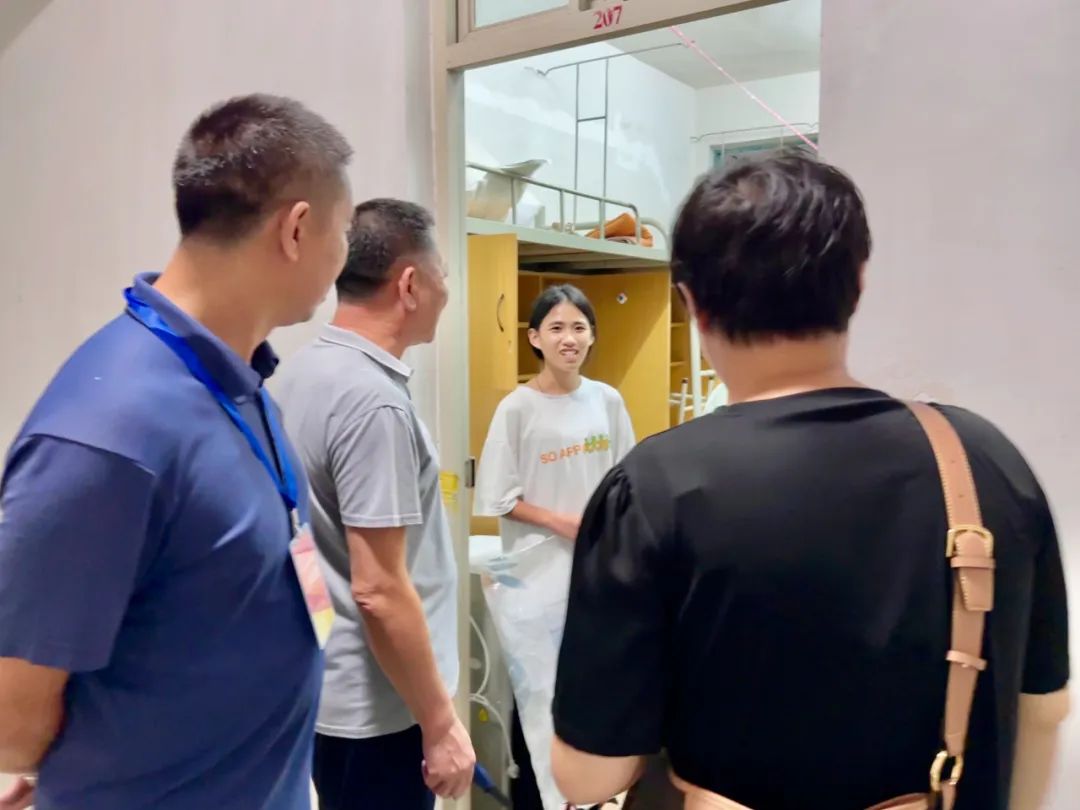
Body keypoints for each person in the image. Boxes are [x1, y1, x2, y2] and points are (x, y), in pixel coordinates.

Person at [550, 153, 1070, 810]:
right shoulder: (984, 461)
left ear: (691, 302)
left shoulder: (652, 489)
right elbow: (1045, 710)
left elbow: (587, 777)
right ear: (859, 281)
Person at [0, 94, 354, 810]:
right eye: (343, 230)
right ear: (296, 229)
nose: (344, 254)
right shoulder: (106, 434)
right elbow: (12, 715)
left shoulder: (241, 381)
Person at [277, 199, 473, 809]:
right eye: (442, 275)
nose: (446, 291)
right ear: (409, 285)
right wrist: (439, 723)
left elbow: (306, 543)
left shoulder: (301, 374)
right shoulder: (373, 404)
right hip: (381, 711)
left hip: (327, 687)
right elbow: (378, 589)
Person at [474, 284, 635, 809]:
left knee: (593, 689)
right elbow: (500, 497)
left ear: (592, 336)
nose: (570, 339)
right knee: (540, 695)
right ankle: (547, 799)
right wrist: (562, 523)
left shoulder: (607, 400)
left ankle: (591, 796)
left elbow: (625, 479)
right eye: (557, 328)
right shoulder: (517, 408)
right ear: (534, 338)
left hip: (596, 571)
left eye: (579, 327)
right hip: (536, 579)